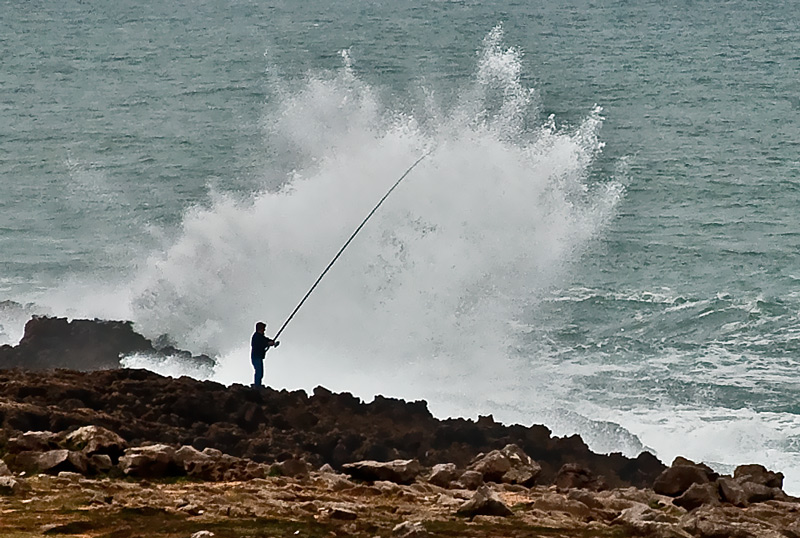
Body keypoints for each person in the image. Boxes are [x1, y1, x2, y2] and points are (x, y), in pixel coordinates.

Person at [251, 321, 279, 388]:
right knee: (259, 372)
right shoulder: (256, 337)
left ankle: (258, 385)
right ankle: (257, 386)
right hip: (256, 357)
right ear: (260, 329)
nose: (264, 330)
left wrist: (272, 343)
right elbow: (261, 344)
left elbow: (266, 340)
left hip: (258, 357)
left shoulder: (260, 336)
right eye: (263, 329)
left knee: (260, 372)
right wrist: (268, 344)